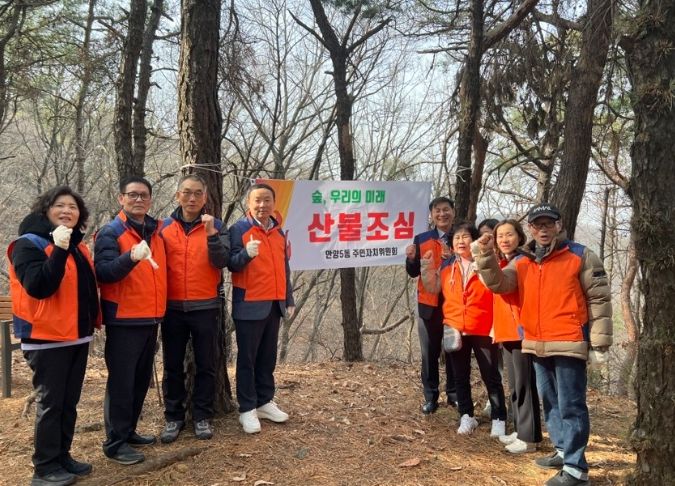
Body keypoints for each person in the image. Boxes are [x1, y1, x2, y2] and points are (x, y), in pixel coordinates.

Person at [472, 203, 612, 486]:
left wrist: (599, 345)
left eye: (549, 224)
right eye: (538, 225)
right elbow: (500, 284)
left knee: (571, 405)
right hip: (536, 342)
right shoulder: (523, 261)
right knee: (550, 402)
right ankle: (562, 450)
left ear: (559, 226)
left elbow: (599, 300)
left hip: (569, 340)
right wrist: (484, 254)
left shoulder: (580, 255)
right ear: (531, 229)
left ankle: (576, 469)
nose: (544, 229)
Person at [8, 186, 100, 486]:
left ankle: (62, 456)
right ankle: (45, 467)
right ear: (45, 209)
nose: (66, 211)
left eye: (72, 207)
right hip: (46, 337)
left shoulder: (77, 246)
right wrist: (59, 249)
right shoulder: (28, 244)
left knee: (68, 402)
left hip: (76, 336)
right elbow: (39, 286)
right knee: (51, 403)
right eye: (60, 205)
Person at [95, 176, 167, 465]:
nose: (139, 199)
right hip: (124, 319)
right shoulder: (111, 232)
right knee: (122, 383)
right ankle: (115, 443)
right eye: (133, 194)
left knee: (139, 381)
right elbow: (104, 272)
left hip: (150, 317)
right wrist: (130, 258)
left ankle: (128, 431)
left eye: (143, 195)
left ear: (150, 199)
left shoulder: (155, 230)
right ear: (121, 198)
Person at [158, 174, 230, 443]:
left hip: (206, 306)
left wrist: (211, 235)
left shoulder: (217, 226)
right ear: (178, 195)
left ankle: (202, 416)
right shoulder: (163, 228)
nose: (192, 198)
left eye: (198, 193)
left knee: (206, 364)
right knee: (172, 365)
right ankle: (173, 417)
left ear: (205, 198)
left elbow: (222, 261)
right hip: (172, 307)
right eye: (187, 192)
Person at [421, 222, 506, 436]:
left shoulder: (486, 264)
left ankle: (499, 417)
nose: (461, 241)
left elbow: (498, 294)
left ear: (474, 240)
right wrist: (426, 269)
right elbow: (433, 289)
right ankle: (466, 415)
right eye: (457, 238)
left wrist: (498, 326)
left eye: (465, 236)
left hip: (482, 326)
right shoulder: (447, 267)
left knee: (490, 375)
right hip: (455, 326)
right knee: (460, 375)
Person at [228, 183, 295, 434]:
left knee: (267, 358)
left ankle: (265, 401)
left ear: (274, 203)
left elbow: (284, 268)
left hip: (274, 304)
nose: (262, 205)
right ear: (249, 203)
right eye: (257, 200)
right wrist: (245, 254)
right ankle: (247, 408)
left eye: (267, 200)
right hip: (249, 305)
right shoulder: (239, 229)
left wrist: (288, 298)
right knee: (247, 359)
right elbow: (231, 264)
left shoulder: (278, 232)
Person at [489, 219, 542, 454]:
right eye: (500, 236)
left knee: (524, 384)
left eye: (509, 234)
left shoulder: (522, 261)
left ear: (520, 237)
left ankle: (529, 437)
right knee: (515, 384)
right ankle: (521, 430)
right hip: (506, 330)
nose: (504, 239)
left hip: (521, 330)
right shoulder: (506, 261)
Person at [405, 196, 457, 414]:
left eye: (446, 209)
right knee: (429, 354)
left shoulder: (461, 236)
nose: (442, 214)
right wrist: (410, 259)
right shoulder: (422, 238)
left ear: (453, 212)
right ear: (432, 215)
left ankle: (454, 394)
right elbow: (413, 272)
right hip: (428, 305)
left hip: (455, 305)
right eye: (437, 211)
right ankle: (430, 397)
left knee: (454, 351)